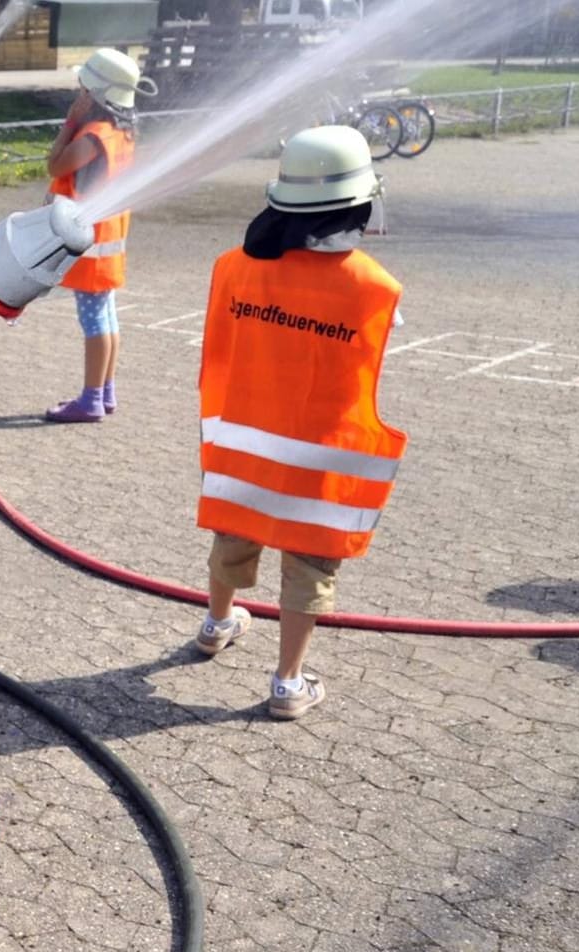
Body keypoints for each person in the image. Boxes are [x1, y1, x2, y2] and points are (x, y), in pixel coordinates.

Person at [191, 125, 406, 720]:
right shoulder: (375, 289)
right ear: (359, 204)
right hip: (321, 464)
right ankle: (287, 683)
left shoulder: (232, 268)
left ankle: (215, 624)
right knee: (310, 567)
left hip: (243, 448)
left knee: (231, 535)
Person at [43, 48, 154, 423]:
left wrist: (69, 123)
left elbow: (55, 164)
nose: (79, 94)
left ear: (96, 95)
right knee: (107, 318)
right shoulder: (123, 132)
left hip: (90, 246)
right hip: (110, 241)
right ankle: (105, 391)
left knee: (93, 322)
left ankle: (90, 399)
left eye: (83, 90)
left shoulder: (93, 136)